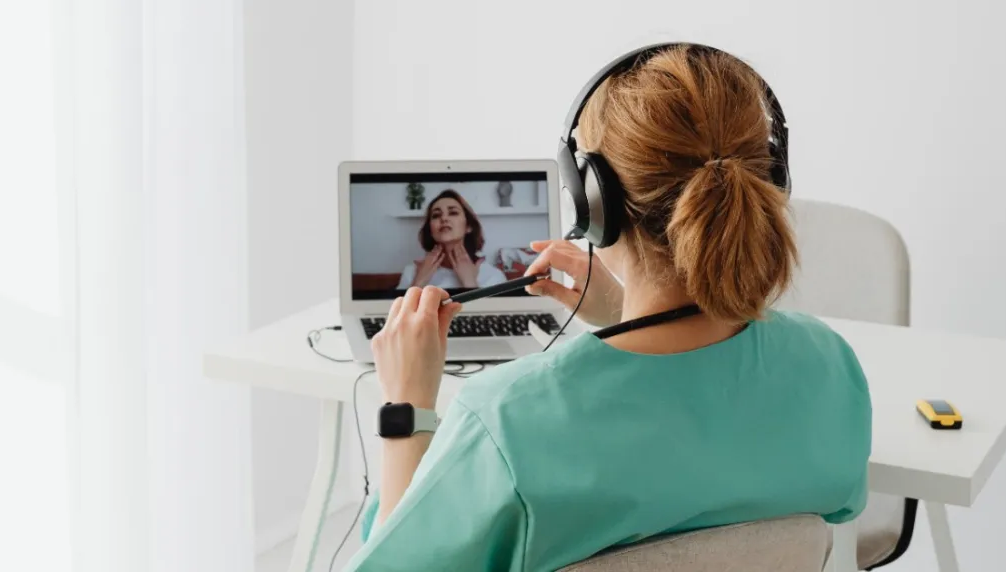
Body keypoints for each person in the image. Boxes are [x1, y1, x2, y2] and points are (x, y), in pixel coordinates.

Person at [346, 44, 871, 571]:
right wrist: (625, 310)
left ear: (592, 204)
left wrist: (406, 410)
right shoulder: (826, 365)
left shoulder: (505, 422)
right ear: (770, 178)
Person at [396, 189, 507, 290]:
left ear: (468, 226)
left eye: (453, 213)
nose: (444, 218)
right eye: (436, 215)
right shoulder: (411, 272)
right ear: (430, 229)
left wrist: (470, 284)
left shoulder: (493, 276)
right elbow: (398, 312)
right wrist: (418, 283)